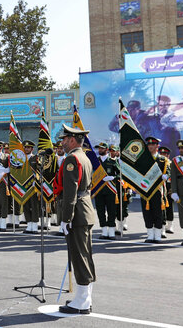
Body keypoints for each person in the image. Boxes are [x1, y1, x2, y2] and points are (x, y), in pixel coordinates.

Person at [57, 125, 96, 315]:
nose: (62, 142)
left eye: (64, 139)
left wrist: (66, 217)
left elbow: (70, 191)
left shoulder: (72, 158)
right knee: (85, 255)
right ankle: (85, 297)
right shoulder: (85, 157)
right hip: (86, 210)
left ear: (72, 140)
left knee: (79, 256)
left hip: (78, 213)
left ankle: (81, 301)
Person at [142, 137, 168, 243]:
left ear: (157, 146)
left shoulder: (163, 160)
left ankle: (157, 235)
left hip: (157, 190)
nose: (150, 146)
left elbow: (168, 171)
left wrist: (166, 175)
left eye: (152, 145)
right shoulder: (143, 159)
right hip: (145, 189)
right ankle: (150, 235)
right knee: (147, 213)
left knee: (158, 212)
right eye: (148, 145)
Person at [94, 143, 119, 240]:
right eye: (99, 148)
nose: (100, 150)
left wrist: (113, 177)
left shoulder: (112, 161)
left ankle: (111, 232)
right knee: (100, 211)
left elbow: (120, 174)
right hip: (99, 191)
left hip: (110, 190)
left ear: (107, 150)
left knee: (111, 211)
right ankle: (104, 231)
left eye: (102, 148)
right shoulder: (96, 161)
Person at [21, 140, 39, 234]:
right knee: (26, 205)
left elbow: (39, 171)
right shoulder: (20, 158)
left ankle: (35, 225)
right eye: (25, 147)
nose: (26, 149)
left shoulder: (35, 158)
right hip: (23, 185)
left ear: (32, 149)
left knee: (34, 205)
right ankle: (29, 225)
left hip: (33, 185)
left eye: (28, 147)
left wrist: (36, 181)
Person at [159, 146, 175, 234]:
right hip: (160, 186)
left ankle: (170, 225)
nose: (163, 155)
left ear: (168, 156)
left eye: (165, 154)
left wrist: (173, 189)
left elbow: (175, 177)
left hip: (169, 187)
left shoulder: (172, 164)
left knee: (169, 207)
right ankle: (161, 225)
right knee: (160, 207)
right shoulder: (157, 162)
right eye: (161, 154)